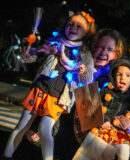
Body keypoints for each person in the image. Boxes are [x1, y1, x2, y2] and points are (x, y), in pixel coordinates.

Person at [2, 11, 96, 160]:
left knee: (45, 130)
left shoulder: (85, 53)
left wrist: (82, 70)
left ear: (88, 31)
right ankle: (6, 155)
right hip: (39, 89)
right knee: (21, 127)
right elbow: (35, 56)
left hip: (58, 97)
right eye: (70, 24)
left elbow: (86, 76)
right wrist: (28, 53)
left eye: (79, 26)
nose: (73, 28)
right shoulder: (55, 41)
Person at [73, 57, 130, 160]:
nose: (123, 78)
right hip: (103, 130)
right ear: (113, 76)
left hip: (122, 134)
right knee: (94, 150)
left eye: (127, 75)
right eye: (119, 74)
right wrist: (104, 119)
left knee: (123, 151)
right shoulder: (106, 90)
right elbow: (95, 107)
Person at [74, 28, 128, 143]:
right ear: (93, 47)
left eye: (110, 50)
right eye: (100, 47)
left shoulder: (115, 81)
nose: (104, 52)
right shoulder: (76, 68)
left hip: (96, 139)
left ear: (116, 55)